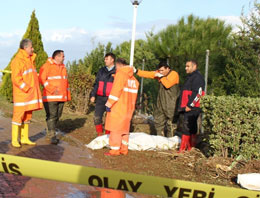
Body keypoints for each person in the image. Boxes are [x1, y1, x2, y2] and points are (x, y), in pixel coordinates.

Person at [11, 39, 43, 147]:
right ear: (25, 48)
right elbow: (16, 78)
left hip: (29, 95)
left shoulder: (29, 60)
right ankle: (15, 140)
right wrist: (26, 89)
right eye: (31, 47)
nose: (33, 49)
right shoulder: (18, 60)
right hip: (22, 95)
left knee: (27, 117)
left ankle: (24, 138)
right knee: (18, 117)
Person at [134, 61, 179, 137]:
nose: (160, 72)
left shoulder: (174, 74)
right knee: (158, 120)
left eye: (162, 70)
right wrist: (137, 71)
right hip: (161, 101)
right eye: (159, 70)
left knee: (170, 123)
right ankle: (160, 138)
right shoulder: (160, 73)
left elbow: (167, 85)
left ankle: (171, 140)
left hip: (171, 102)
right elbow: (149, 74)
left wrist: (161, 77)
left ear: (167, 69)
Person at [104, 58, 139, 156]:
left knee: (115, 129)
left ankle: (114, 150)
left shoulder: (120, 75)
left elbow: (116, 91)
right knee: (125, 129)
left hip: (119, 107)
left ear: (118, 65)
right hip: (129, 108)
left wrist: (109, 103)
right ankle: (124, 149)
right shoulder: (134, 79)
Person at [39, 50, 71, 144]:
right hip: (50, 97)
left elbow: (65, 83)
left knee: (57, 116)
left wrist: (67, 95)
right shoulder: (47, 66)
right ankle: (52, 135)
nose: (64, 58)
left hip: (61, 97)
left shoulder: (63, 67)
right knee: (52, 116)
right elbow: (42, 79)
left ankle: (50, 130)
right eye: (63, 56)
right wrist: (52, 90)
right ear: (57, 57)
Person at [177, 60, 205, 152]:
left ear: (194, 66)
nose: (186, 68)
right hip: (188, 107)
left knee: (187, 127)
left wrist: (190, 105)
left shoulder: (197, 77)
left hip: (192, 108)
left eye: (188, 66)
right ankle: (189, 148)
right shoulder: (191, 77)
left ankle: (184, 148)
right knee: (190, 127)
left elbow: (198, 93)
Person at [90, 52, 116, 136]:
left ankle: (108, 137)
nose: (105, 61)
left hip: (111, 99)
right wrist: (93, 95)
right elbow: (96, 84)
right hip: (100, 98)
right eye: (105, 59)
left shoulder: (117, 71)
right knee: (96, 117)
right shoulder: (101, 70)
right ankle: (99, 135)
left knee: (110, 119)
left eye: (107, 59)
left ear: (112, 60)